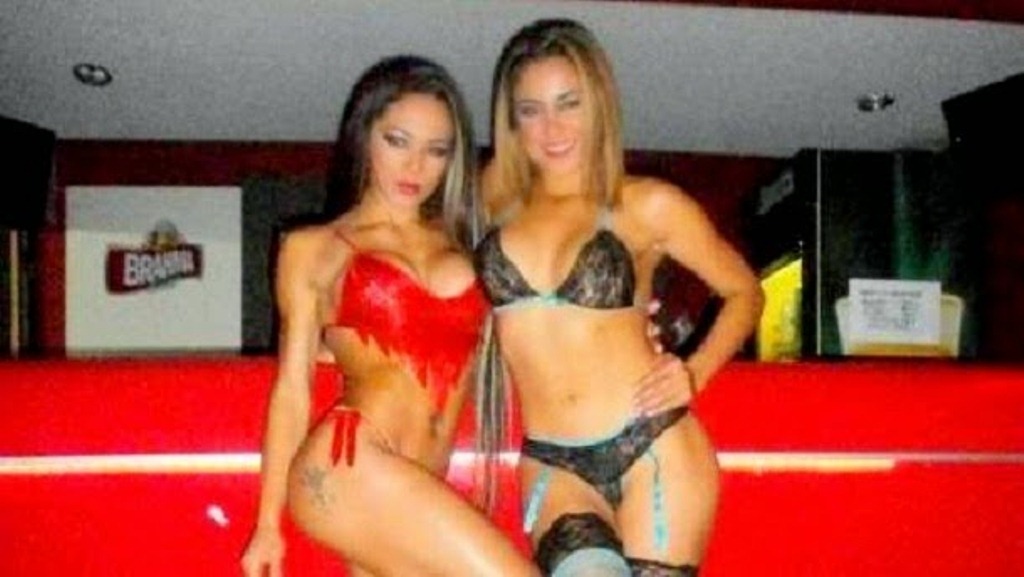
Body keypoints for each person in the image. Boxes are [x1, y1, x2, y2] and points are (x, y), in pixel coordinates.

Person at [475, 19, 765, 576]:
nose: (552, 127)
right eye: (531, 110)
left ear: (599, 105)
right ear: (511, 121)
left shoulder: (648, 204)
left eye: (569, 103)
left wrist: (694, 370)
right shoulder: (489, 199)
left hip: (651, 445)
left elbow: (744, 292)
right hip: (553, 462)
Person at [240, 54, 540, 577]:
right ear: (365, 137)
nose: (415, 166)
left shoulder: (467, 244)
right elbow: (292, 389)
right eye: (398, 141)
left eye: (436, 150)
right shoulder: (315, 248)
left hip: (417, 477)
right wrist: (267, 525)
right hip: (349, 465)